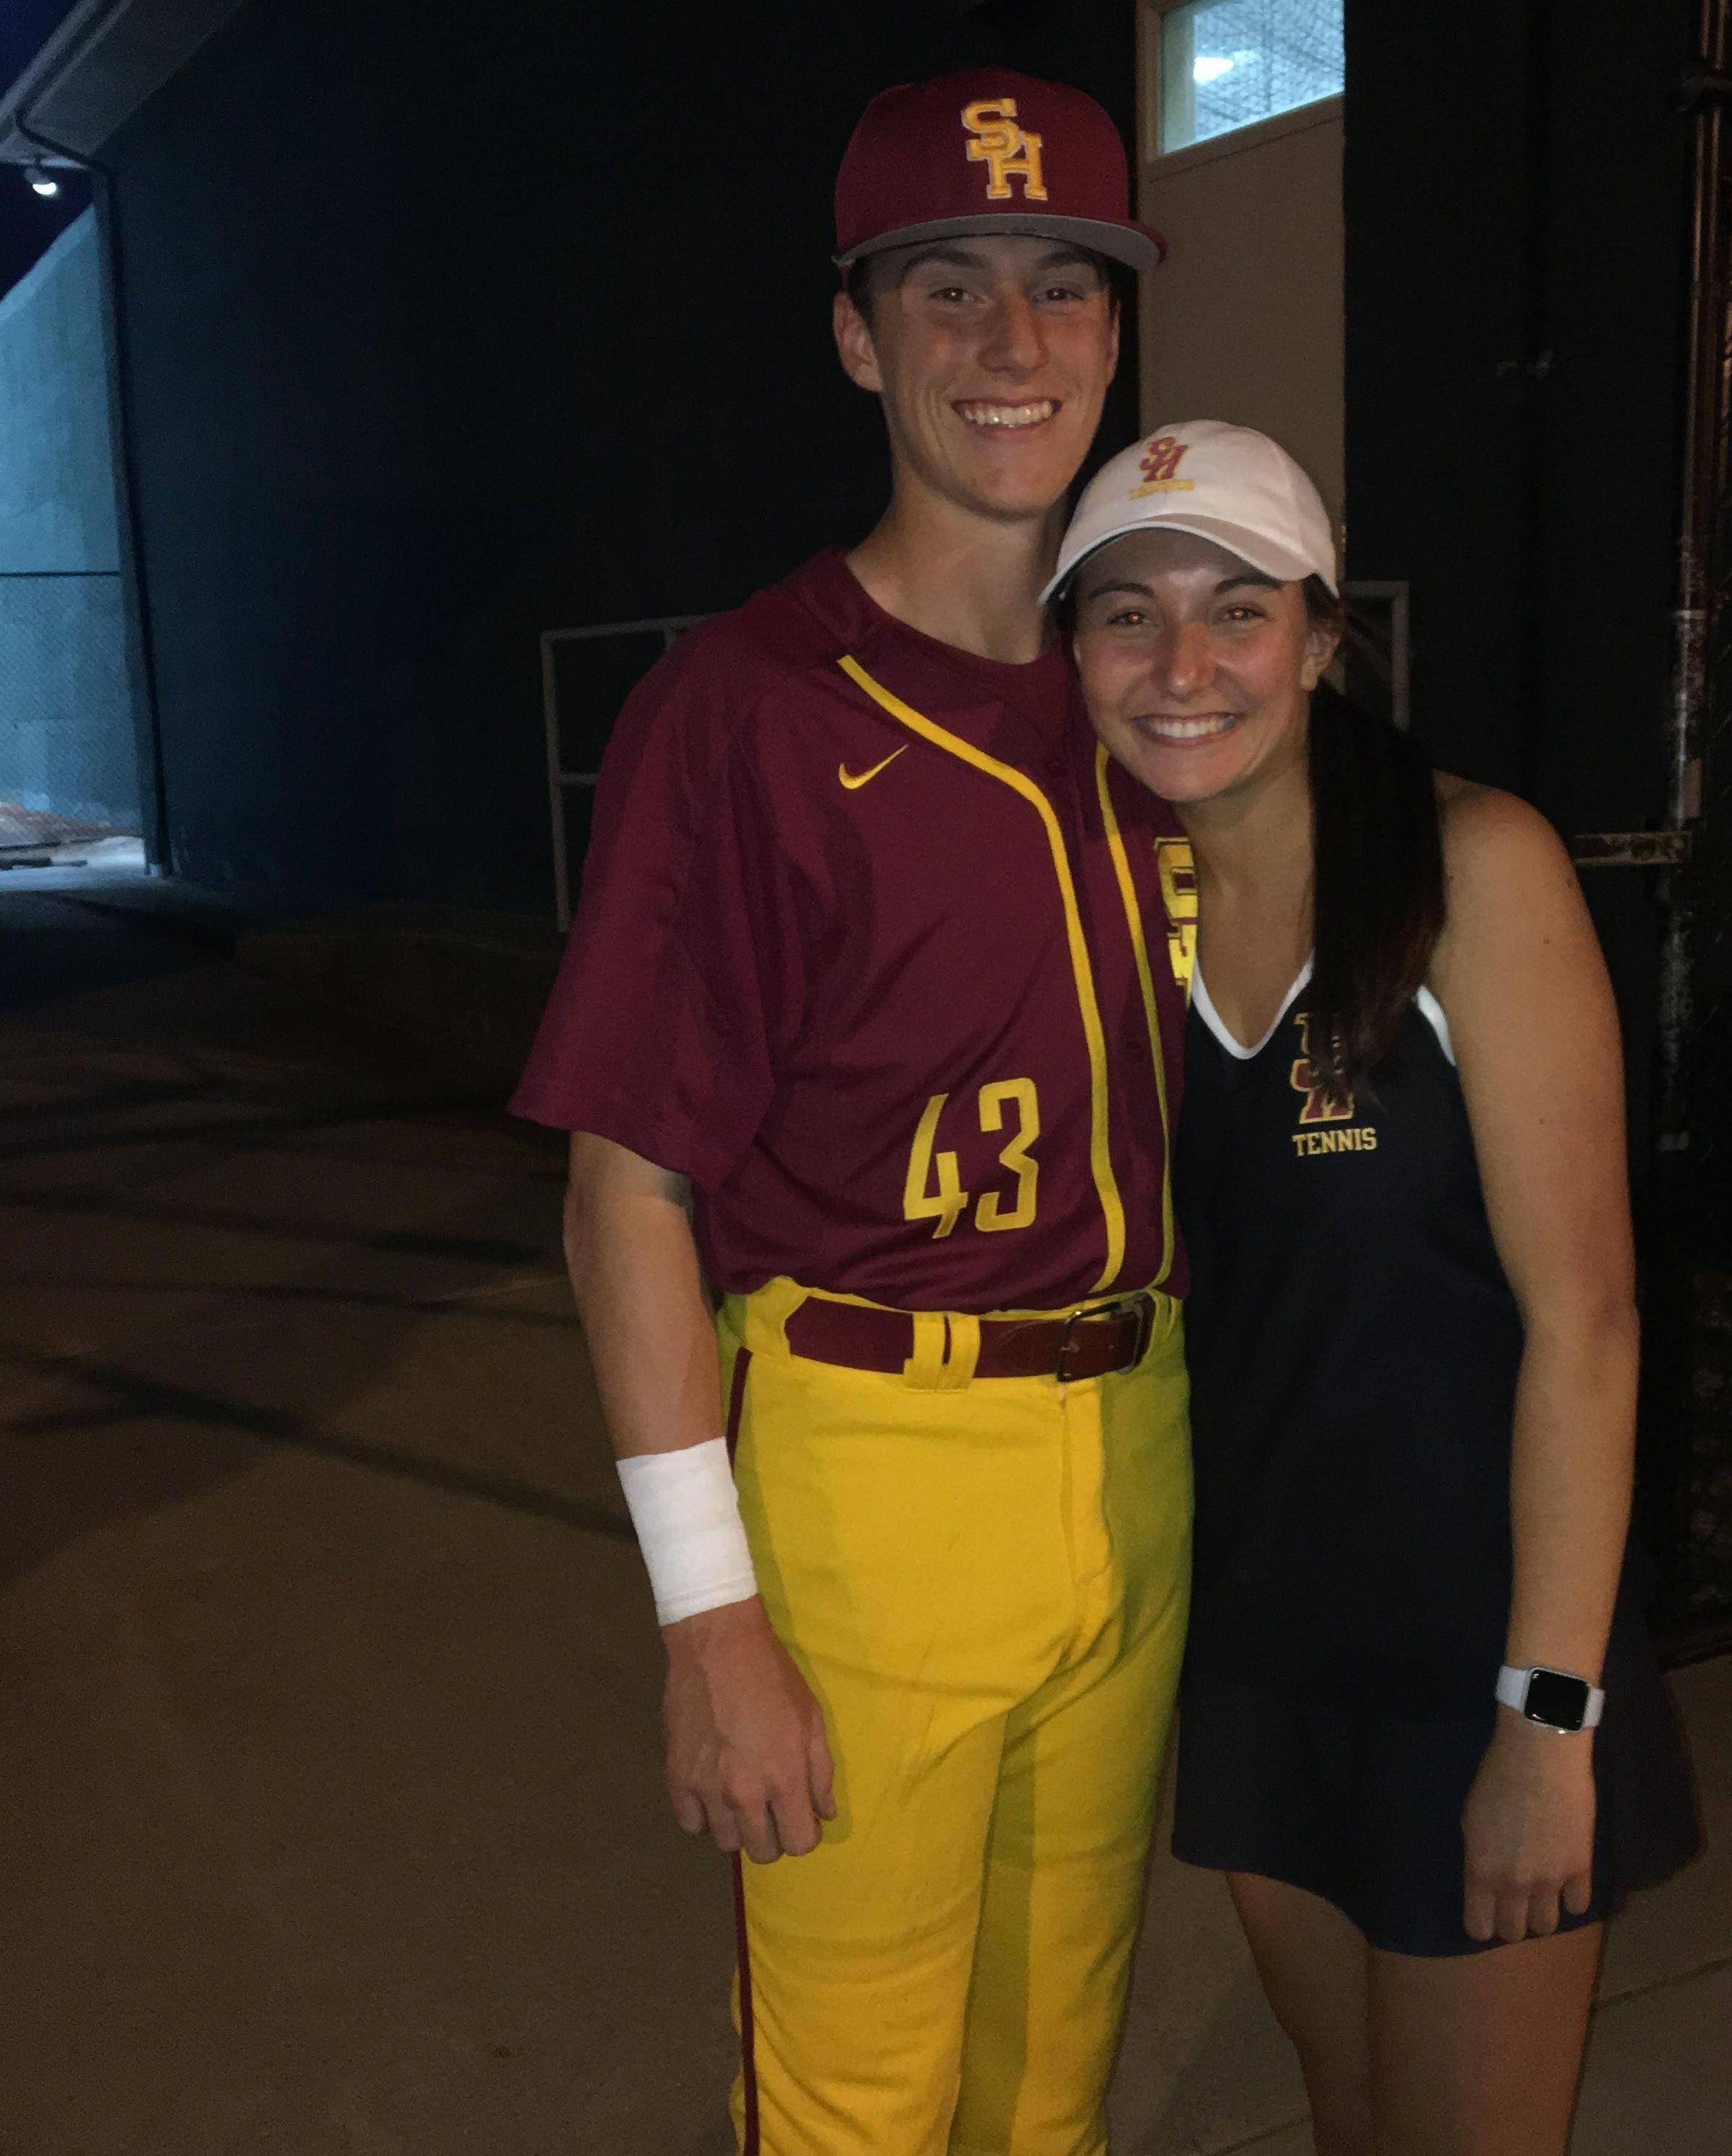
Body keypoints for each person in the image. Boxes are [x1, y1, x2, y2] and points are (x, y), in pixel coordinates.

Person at [511, 72, 1192, 2156]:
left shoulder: (1166, 696)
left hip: (1139, 1438)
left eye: (1065, 285)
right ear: (855, 333)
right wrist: (707, 1608)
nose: (1013, 346)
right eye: (948, 287)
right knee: (853, 2116)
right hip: (871, 1465)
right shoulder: (747, 709)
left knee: (1049, 2085)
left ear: (1116, 324)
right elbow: (625, 1187)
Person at [1054, 421, 1701, 2156]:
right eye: (1126, 615)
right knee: (1352, 2120)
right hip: (1261, 1648)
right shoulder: (1116, 908)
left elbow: (1588, 1321)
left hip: (1471, 1659)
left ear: (1322, 637)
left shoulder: (1469, 868)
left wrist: (1544, 1719)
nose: (1181, 665)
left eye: (1237, 608)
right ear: (1076, 654)